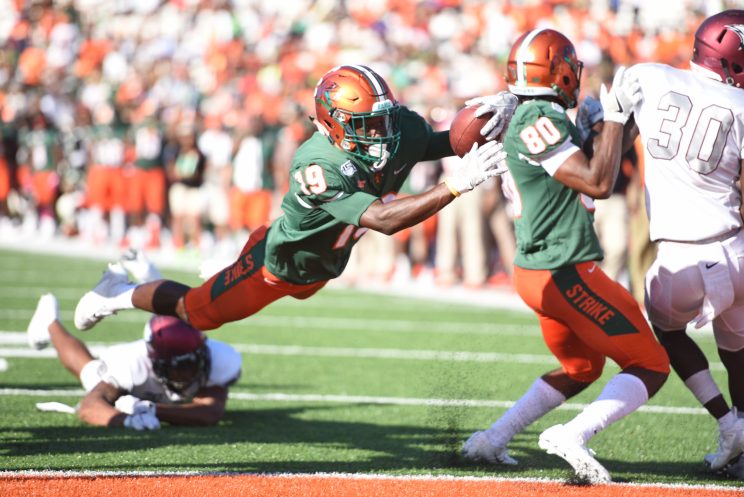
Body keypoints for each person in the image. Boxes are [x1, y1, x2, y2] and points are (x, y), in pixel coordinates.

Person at [72, 64, 516, 331]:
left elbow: (440, 143)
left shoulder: (397, 127)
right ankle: (116, 294)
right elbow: (382, 220)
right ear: (333, 124)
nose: (381, 132)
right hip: (279, 266)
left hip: (321, 266)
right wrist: (456, 184)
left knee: (259, 287)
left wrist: (492, 116)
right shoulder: (316, 164)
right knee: (198, 312)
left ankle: (219, 270)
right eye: (366, 125)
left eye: (381, 120)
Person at [461, 28, 670, 484]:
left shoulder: (539, 112)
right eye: (568, 67)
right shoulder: (538, 116)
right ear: (555, 72)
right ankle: (572, 435)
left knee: (582, 367)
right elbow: (598, 183)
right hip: (564, 269)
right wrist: (613, 122)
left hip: (538, 270)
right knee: (651, 363)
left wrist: (613, 123)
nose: (575, 75)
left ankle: (493, 438)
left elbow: (590, 164)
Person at [620, 10, 744, 478]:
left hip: (679, 253)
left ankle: (726, 422)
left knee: (667, 332)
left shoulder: (648, 76)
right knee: (739, 349)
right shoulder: (741, 106)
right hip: (735, 246)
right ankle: (743, 430)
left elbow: (613, 127)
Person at [27, 251, 242, 429]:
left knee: (189, 315)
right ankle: (50, 322)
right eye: (178, 367)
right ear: (155, 363)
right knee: (91, 375)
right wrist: (125, 419)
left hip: (159, 362)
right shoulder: (133, 365)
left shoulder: (219, 357)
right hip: (133, 367)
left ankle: (149, 281)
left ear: (203, 351)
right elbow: (89, 406)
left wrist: (151, 409)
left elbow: (209, 413)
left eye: (191, 363)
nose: (187, 374)